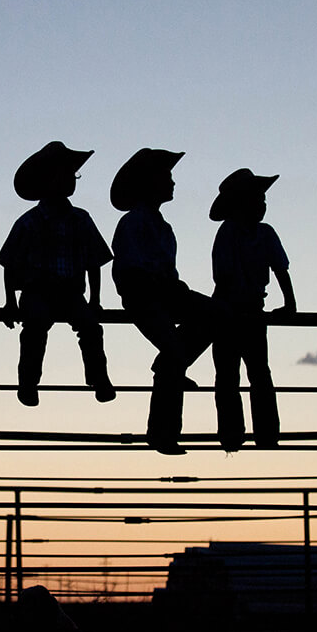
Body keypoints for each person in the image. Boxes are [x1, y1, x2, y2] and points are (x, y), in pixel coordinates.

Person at [110, 148, 216, 455]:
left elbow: (165, 271)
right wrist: (164, 288)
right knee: (175, 354)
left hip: (164, 292)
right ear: (149, 183)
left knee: (212, 316)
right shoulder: (135, 222)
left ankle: (164, 426)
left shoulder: (159, 225)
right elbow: (132, 270)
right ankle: (162, 433)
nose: (172, 183)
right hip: (142, 295)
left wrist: (173, 289)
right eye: (166, 177)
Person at [0, 141, 115, 406]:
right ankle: (28, 381)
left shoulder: (80, 219)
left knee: (90, 328)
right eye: (65, 174)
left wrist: (95, 299)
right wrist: (10, 301)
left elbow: (93, 261)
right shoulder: (30, 221)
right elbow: (10, 264)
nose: (70, 180)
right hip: (37, 290)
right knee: (35, 327)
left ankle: (99, 377)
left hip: (71, 292)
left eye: (71, 175)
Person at [209, 169, 296, 451]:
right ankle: (253, 434)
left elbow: (280, 268)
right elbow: (278, 269)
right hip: (232, 309)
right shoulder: (232, 232)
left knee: (241, 374)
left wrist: (290, 303)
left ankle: (251, 435)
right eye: (257, 199)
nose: (263, 204)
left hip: (242, 309)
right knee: (243, 374)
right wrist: (289, 303)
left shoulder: (261, 232)